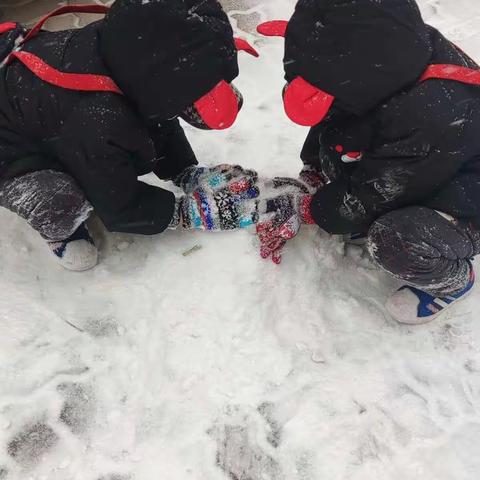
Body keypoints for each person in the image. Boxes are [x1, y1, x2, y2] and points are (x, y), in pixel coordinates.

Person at [255, 0, 480, 325]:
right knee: (342, 137)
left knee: (394, 239)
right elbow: (334, 119)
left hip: (466, 201)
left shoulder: (430, 113)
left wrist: (310, 209)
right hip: (424, 167)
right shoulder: (384, 63)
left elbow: (373, 195)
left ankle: (452, 279)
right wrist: (313, 171)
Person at [0, 0, 259, 271]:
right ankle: (60, 231)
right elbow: (118, 203)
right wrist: (188, 212)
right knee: (60, 201)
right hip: (11, 153)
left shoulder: (132, 58)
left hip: (54, 120)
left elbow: (159, 114)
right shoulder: (96, 117)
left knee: (143, 115)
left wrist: (185, 171)